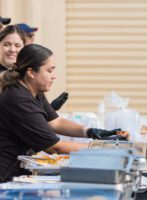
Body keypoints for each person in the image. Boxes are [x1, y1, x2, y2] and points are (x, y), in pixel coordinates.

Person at [0, 44, 122, 182]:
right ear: (31, 72)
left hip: (19, 168)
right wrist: (103, 149)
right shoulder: (18, 99)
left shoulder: (33, 90)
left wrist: (90, 132)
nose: (54, 77)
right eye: (49, 71)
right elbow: (55, 148)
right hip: (6, 173)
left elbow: (55, 122)